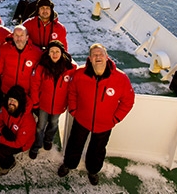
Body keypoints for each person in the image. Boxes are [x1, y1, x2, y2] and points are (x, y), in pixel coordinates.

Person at [57, 43, 135, 186]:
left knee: (98, 149)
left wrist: (116, 118)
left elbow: (128, 101)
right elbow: (72, 91)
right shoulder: (80, 73)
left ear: (106, 57)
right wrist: (74, 110)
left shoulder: (120, 78)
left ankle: (93, 170)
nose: (98, 57)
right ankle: (69, 164)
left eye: (100, 54)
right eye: (94, 55)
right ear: (90, 58)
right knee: (75, 144)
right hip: (81, 119)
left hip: (105, 123)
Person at [28, 40, 78, 159]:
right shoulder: (42, 67)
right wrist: (35, 102)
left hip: (59, 105)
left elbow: (73, 88)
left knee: (54, 124)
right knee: (40, 125)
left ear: (62, 53)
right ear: (48, 53)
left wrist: (69, 103)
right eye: (52, 51)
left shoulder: (70, 69)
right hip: (43, 104)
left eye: (57, 51)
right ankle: (37, 145)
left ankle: (48, 140)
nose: (54, 54)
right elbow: (34, 85)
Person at [0, 85, 35, 176]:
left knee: (0, 151)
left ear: (20, 103)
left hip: (20, 144)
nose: (11, 103)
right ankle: (1, 153)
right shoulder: (5, 108)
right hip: (6, 133)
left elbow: (18, 143)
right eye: (10, 99)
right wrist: (3, 129)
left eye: (15, 101)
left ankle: (8, 164)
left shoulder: (27, 121)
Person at [0, 25, 42, 97]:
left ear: (27, 37)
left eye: (22, 35)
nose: (19, 38)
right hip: (7, 89)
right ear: (12, 36)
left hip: (25, 92)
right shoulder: (5, 48)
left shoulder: (36, 52)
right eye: (16, 35)